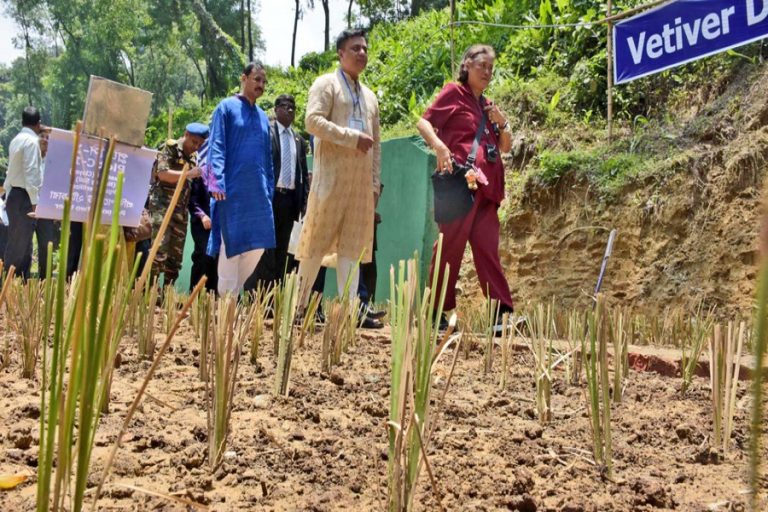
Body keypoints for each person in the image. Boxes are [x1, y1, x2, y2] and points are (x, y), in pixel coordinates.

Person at [416, 44, 515, 332]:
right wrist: (440, 147)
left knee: (487, 249)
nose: (487, 72)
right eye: (481, 65)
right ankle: (435, 314)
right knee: (450, 248)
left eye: (490, 68)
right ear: (467, 65)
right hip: (460, 184)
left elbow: (505, 147)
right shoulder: (453, 93)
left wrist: (503, 123)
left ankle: (500, 315)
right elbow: (424, 123)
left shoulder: (487, 106)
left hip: (487, 191)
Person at [296, 28, 381, 312]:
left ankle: (349, 311)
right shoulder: (326, 84)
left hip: (360, 187)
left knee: (353, 248)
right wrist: (350, 137)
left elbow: (376, 145)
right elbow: (312, 121)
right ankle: (298, 306)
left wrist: (374, 185)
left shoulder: (370, 97)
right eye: (355, 48)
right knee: (315, 245)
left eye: (365, 49)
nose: (362, 53)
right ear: (340, 54)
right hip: (330, 180)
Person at [206, 61, 275, 295]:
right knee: (231, 246)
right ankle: (227, 306)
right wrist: (216, 182)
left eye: (264, 81)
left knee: (258, 245)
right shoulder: (225, 108)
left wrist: (269, 191)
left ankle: (232, 295)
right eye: (257, 79)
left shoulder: (264, 117)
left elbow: (267, 159)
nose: (261, 85)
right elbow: (215, 144)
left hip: (258, 194)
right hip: (231, 192)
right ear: (243, 78)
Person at [246, 94, 309, 290]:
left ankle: (275, 297)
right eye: (284, 106)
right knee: (266, 250)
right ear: (276, 109)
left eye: (293, 107)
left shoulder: (298, 139)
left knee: (282, 250)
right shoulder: (267, 132)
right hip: (269, 199)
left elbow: (303, 173)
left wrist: (304, 202)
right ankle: (261, 295)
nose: (289, 110)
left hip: (289, 202)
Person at [148, 123, 208, 285]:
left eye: (200, 144)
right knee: (158, 252)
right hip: (162, 207)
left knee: (175, 258)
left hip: (180, 211)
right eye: (194, 142)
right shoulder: (170, 149)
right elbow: (162, 174)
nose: (196, 147)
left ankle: (167, 292)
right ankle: (150, 292)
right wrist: (187, 173)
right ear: (186, 134)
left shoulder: (193, 156)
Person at [3, 106, 44, 279]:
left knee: (20, 243)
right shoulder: (32, 141)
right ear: (38, 123)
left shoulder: (16, 140)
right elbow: (31, 173)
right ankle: (10, 284)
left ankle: (17, 285)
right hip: (24, 197)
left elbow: (11, 172)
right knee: (20, 245)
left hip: (15, 195)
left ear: (22, 121)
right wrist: (35, 203)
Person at [188, 140, 218, 292]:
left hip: (219, 224)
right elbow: (193, 200)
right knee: (202, 257)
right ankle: (195, 297)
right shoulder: (201, 173)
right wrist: (203, 216)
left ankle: (212, 299)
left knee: (216, 260)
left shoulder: (225, 175)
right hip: (202, 223)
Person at [35, 128, 60, 279]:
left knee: (47, 247)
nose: (45, 140)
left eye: (48, 138)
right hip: (28, 207)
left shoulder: (54, 164)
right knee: (25, 247)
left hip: (46, 210)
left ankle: (45, 283)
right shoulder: (30, 158)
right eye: (42, 136)